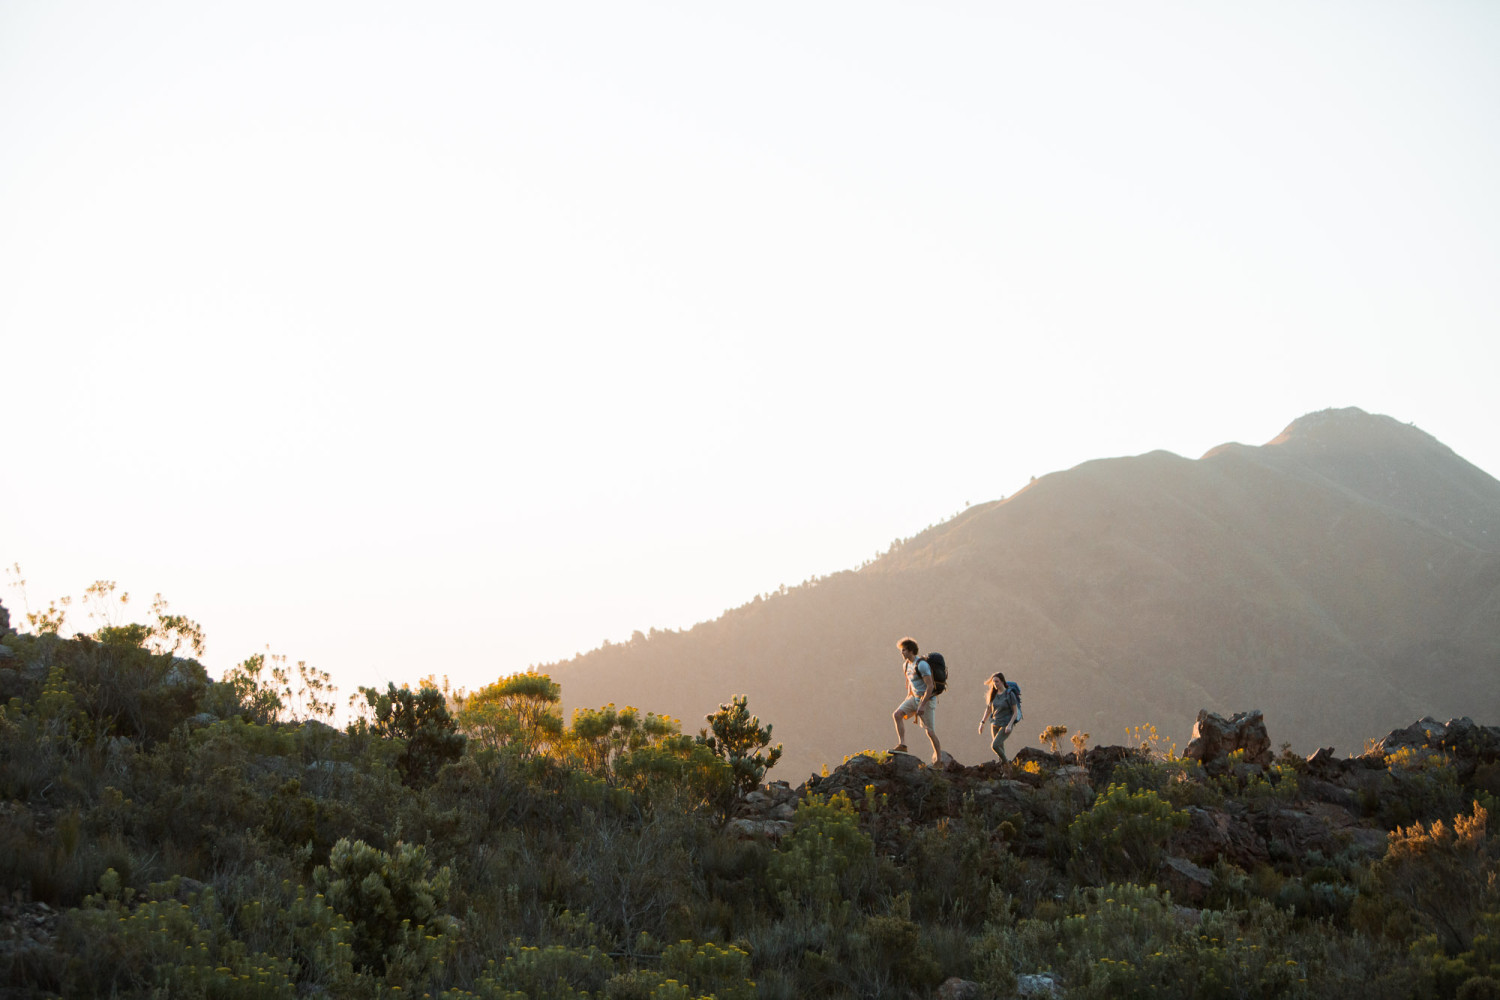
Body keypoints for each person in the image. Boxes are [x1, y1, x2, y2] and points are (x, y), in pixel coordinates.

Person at [890, 637, 943, 764]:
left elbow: (930, 686)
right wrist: (909, 698)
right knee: (897, 714)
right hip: (914, 698)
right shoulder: (906, 664)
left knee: (930, 732)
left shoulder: (922, 665)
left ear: (911, 650)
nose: (901, 653)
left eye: (903, 650)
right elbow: (909, 682)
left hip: (927, 700)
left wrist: (922, 706)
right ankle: (902, 745)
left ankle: (939, 761)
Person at [978, 672, 1020, 762]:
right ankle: (1005, 772)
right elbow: (988, 710)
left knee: (995, 746)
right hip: (995, 724)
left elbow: (1015, 712)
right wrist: (982, 722)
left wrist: (1010, 725)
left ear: (1002, 681)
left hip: (1006, 725)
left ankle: (1007, 764)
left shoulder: (1009, 694)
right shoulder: (993, 694)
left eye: (997, 681)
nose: (995, 684)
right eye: (993, 682)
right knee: (1000, 749)